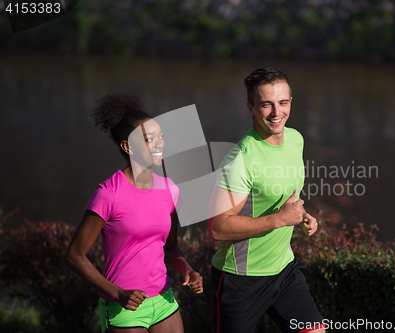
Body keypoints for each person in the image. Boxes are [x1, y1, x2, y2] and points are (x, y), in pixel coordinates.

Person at [66, 92, 203, 333]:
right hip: (123, 307)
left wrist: (187, 269)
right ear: (127, 146)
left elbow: (169, 248)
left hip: (163, 301)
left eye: (160, 137)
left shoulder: (169, 190)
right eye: (150, 139)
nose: (159, 143)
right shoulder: (109, 193)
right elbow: (75, 255)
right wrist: (117, 293)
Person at [209, 67, 326, 333]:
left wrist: (302, 214)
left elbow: (285, 193)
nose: (277, 112)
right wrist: (279, 220)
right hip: (240, 280)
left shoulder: (295, 139)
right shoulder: (240, 159)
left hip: (284, 270)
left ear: (290, 102)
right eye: (266, 104)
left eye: (283, 102)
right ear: (251, 107)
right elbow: (218, 227)